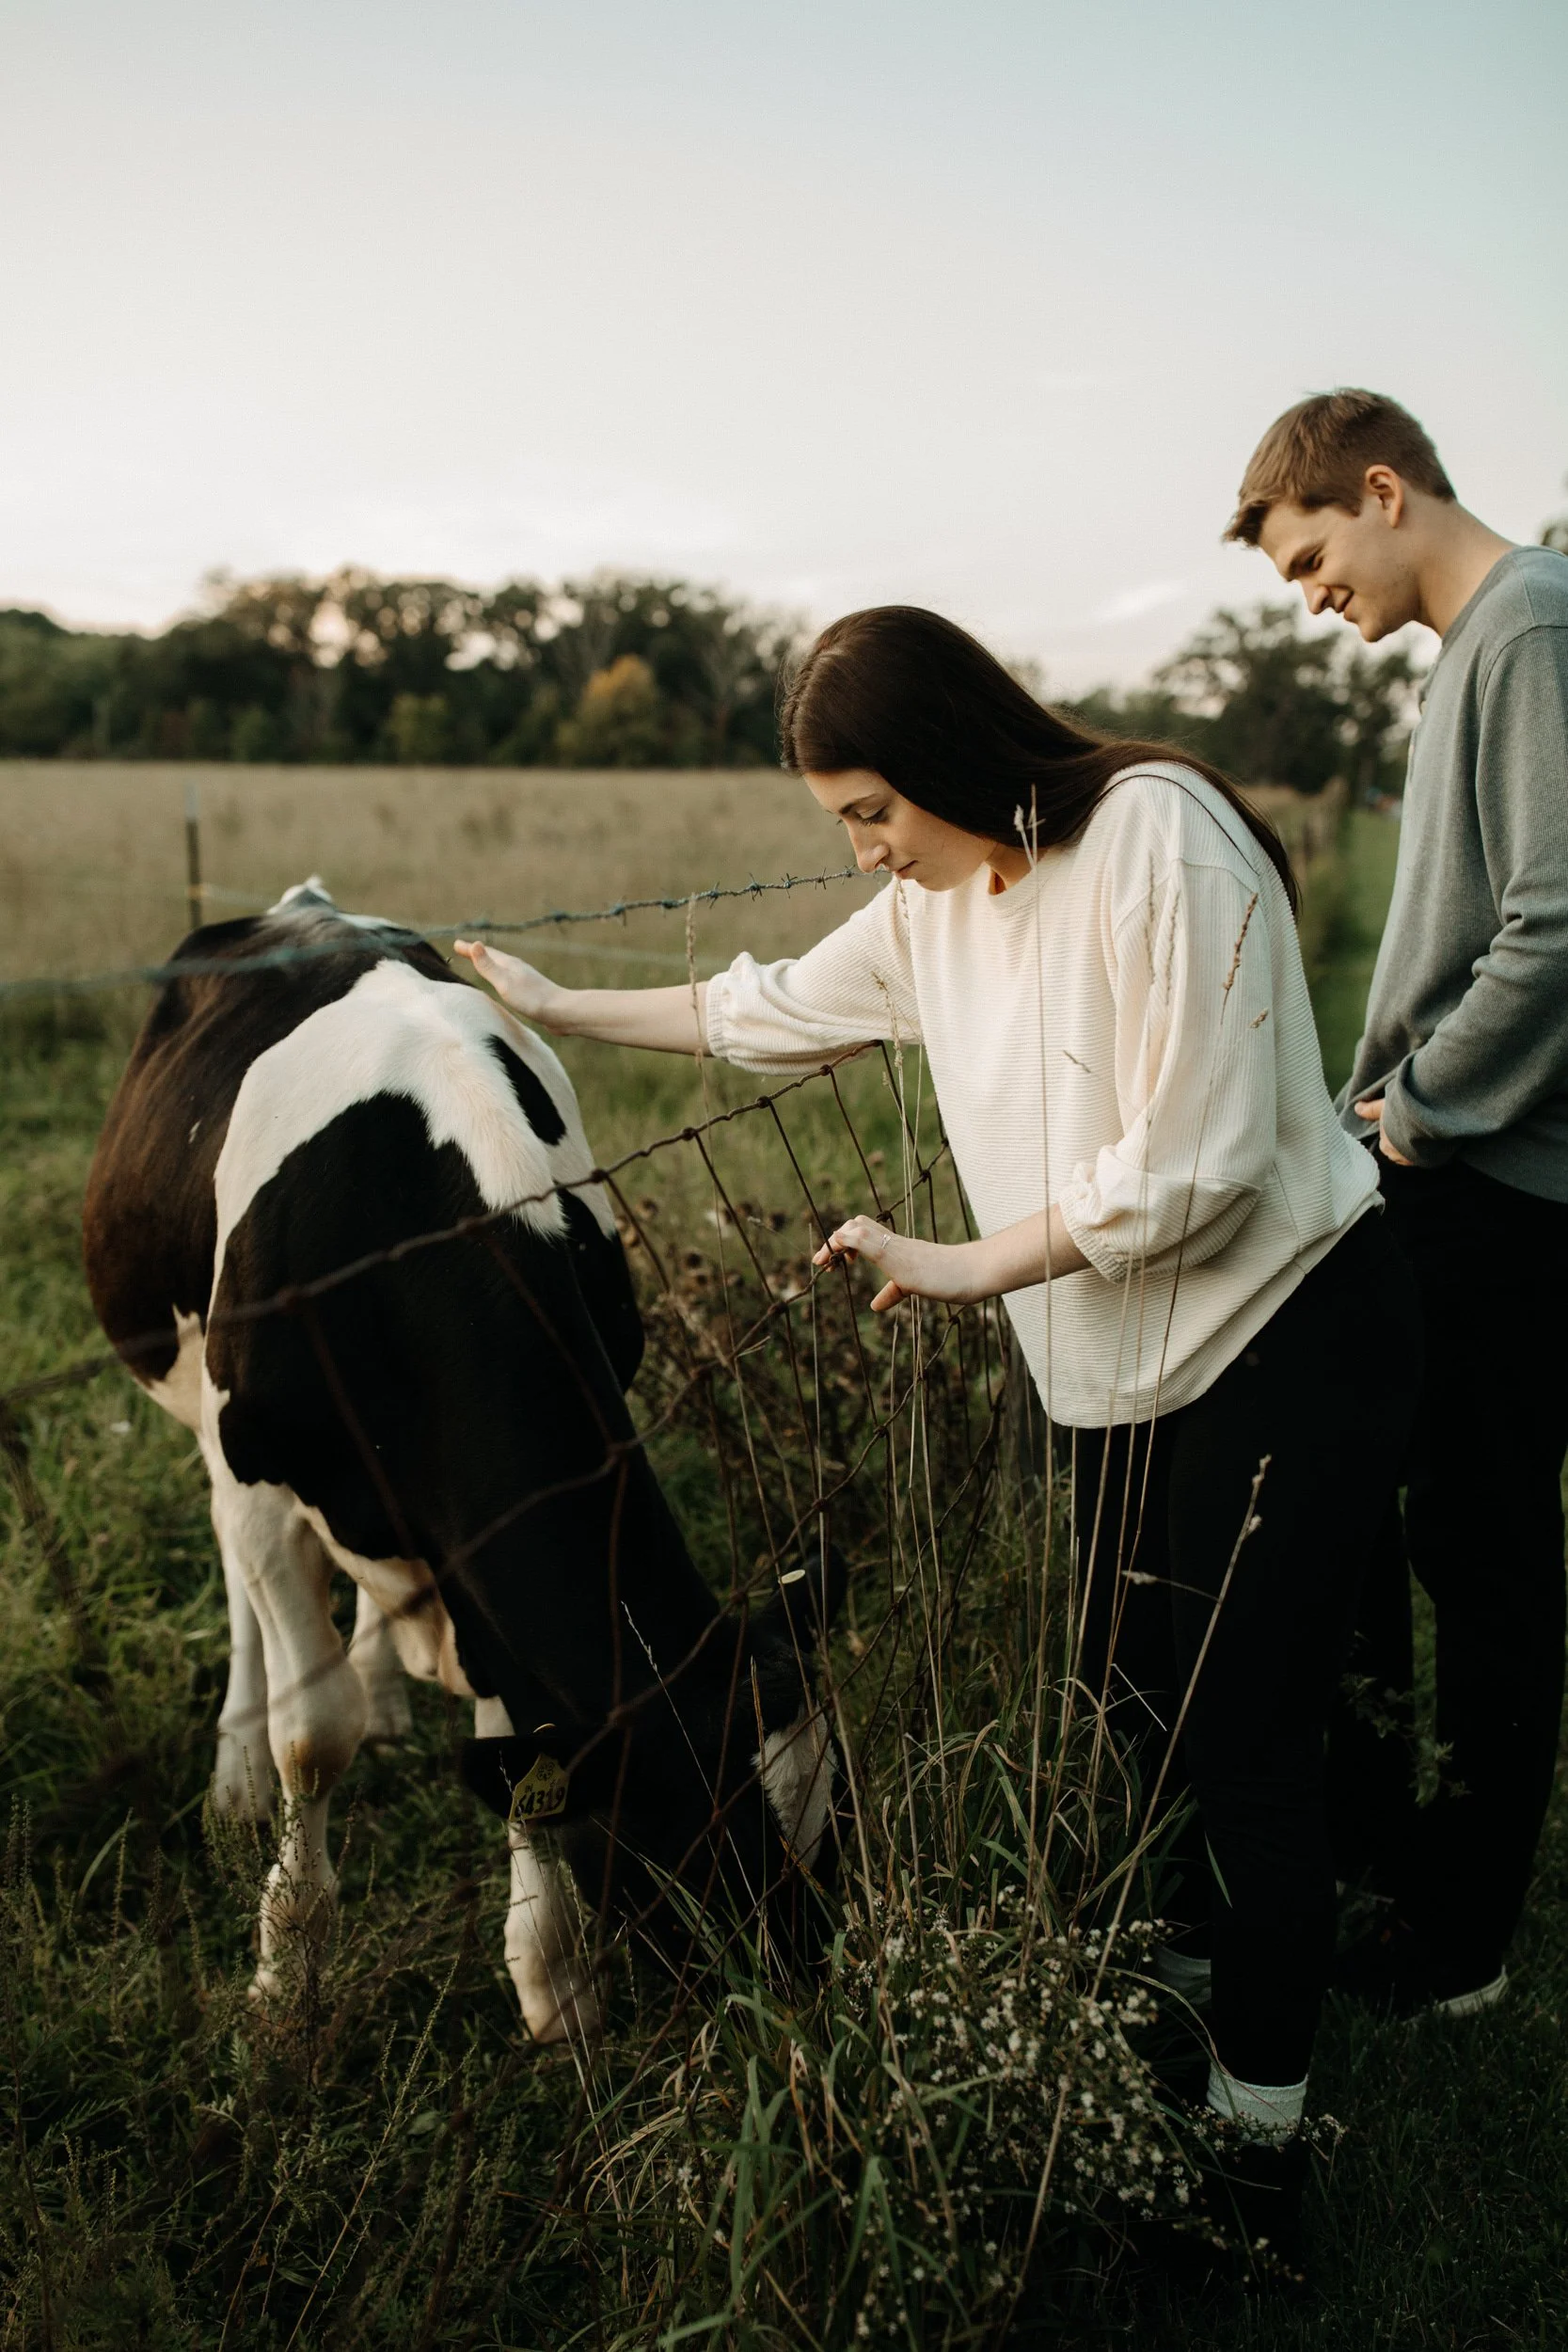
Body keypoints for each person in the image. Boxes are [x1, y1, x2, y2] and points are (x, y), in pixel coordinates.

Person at [455, 606, 1418, 2263]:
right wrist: (552, 1006)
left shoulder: (1153, 844)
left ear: (954, 755)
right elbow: (760, 1011)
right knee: (1128, 1700)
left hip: (1273, 1340)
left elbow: (1202, 1162)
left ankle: (1261, 2151)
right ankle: (1187, 2010)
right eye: (844, 824)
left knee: (1242, 1740)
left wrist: (967, 1265)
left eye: (869, 811)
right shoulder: (933, 904)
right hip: (1102, 1371)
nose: (863, 853)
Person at [1228, 389, 1568, 2018]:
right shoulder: (1484, 646)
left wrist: (1422, 1115)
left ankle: (1461, 1937)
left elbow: (1560, 927)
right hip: (1457, 1171)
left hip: (1495, 1180)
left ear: (1380, 491)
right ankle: (1392, 1844)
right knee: (1407, 1514)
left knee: (1485, 1549)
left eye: (1309, 560)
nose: (1313, 598)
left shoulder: (1527, 630)